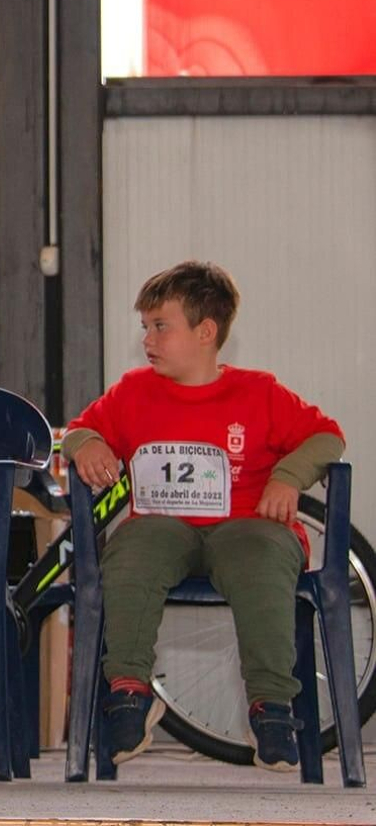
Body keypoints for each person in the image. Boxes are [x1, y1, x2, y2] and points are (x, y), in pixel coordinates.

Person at [63, 261, 344, 771]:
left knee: (260, 561)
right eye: (145, 327)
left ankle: (271, 707)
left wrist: (287, 477)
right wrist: (87, 444)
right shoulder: (133, 391)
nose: (147, 339)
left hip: (247, 525)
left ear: (205, 332)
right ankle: (129, 692)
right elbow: (80, 429)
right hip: (163, 526)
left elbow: (327, 436)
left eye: (160, 326)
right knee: (130, 553)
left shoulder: (259, 392)